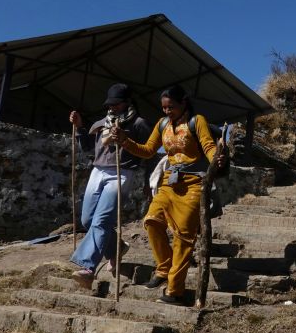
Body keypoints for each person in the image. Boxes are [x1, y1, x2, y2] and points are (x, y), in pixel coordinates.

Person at [109, 85, 223, 305]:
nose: (167, 111)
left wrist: (217, 159)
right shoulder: (162, 125)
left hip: (193, 185)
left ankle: (175, 290)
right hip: (169, 182)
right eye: (164, 108)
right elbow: (147, 150)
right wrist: (124, 140)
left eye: (171, 107)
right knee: (151, 221)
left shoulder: (196, 121)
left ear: (183, 103)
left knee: (183, 237)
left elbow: (209, 146)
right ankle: (163, 268)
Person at [69, 84, 151, 283]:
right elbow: (88, 148)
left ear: (126, 102)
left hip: (122, 172)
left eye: (116, 104)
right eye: (110, 104)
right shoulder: (101, 123)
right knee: (87, 220)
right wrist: (79, 126)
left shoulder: (139, 124)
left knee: (101, 220)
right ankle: (117, 248)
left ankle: (88, 267)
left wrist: (149, 180)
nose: (112, 107)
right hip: (98, 171)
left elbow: (149, 151)